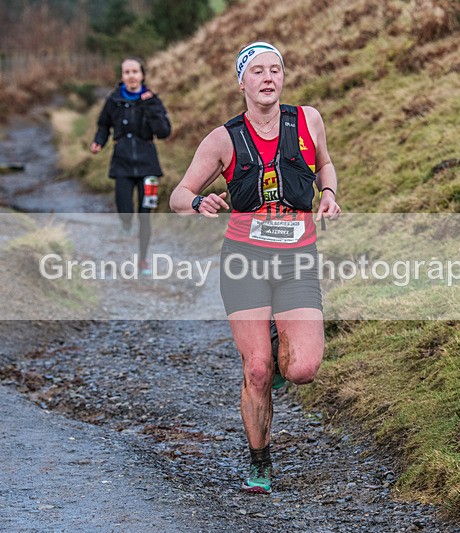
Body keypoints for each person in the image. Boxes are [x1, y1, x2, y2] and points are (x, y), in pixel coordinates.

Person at [170, 42, 341, 494]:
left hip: (297, 259)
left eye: (275, 70)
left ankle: (278, 344)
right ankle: (260, 464)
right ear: (241, 82)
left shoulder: (308, 120)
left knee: (302, 368)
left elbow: (324, 164)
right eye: (258, 71)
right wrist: (197, 201)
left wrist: (328, 193)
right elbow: (178, 194)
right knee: (258, 369)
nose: (268, 78)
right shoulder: (223, 139)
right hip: (244, 261)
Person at [90, 57, 171, 275]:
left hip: (148, 165)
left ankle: (143, 259)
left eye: (135, 71)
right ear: (122, 76)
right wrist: (98, 142)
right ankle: (126, 224)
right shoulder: (113, 100)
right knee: (124, 209)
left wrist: (150, 105)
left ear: (142, 75)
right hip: (122, 163)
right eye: (127, 72)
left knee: (145, 216)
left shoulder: (152, 100)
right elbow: (103, 125)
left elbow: (164, 132)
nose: (131, 76)